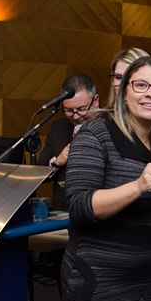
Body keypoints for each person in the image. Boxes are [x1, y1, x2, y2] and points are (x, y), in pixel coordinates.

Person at [61, 56, 151, 301]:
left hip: (150, 278)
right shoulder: (95, 134)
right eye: (141, 85)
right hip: (100, 278)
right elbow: (79, 206)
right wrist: (138, 186)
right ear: (124, 93)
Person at [37, 74, 100, 210]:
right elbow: (38, 173)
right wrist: (57, 162)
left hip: (98, 210)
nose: (75, 116)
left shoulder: (111, 125)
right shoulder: (58, 128)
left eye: (82, 109)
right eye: (69, 110)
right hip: (62, 211)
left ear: (96, 101)